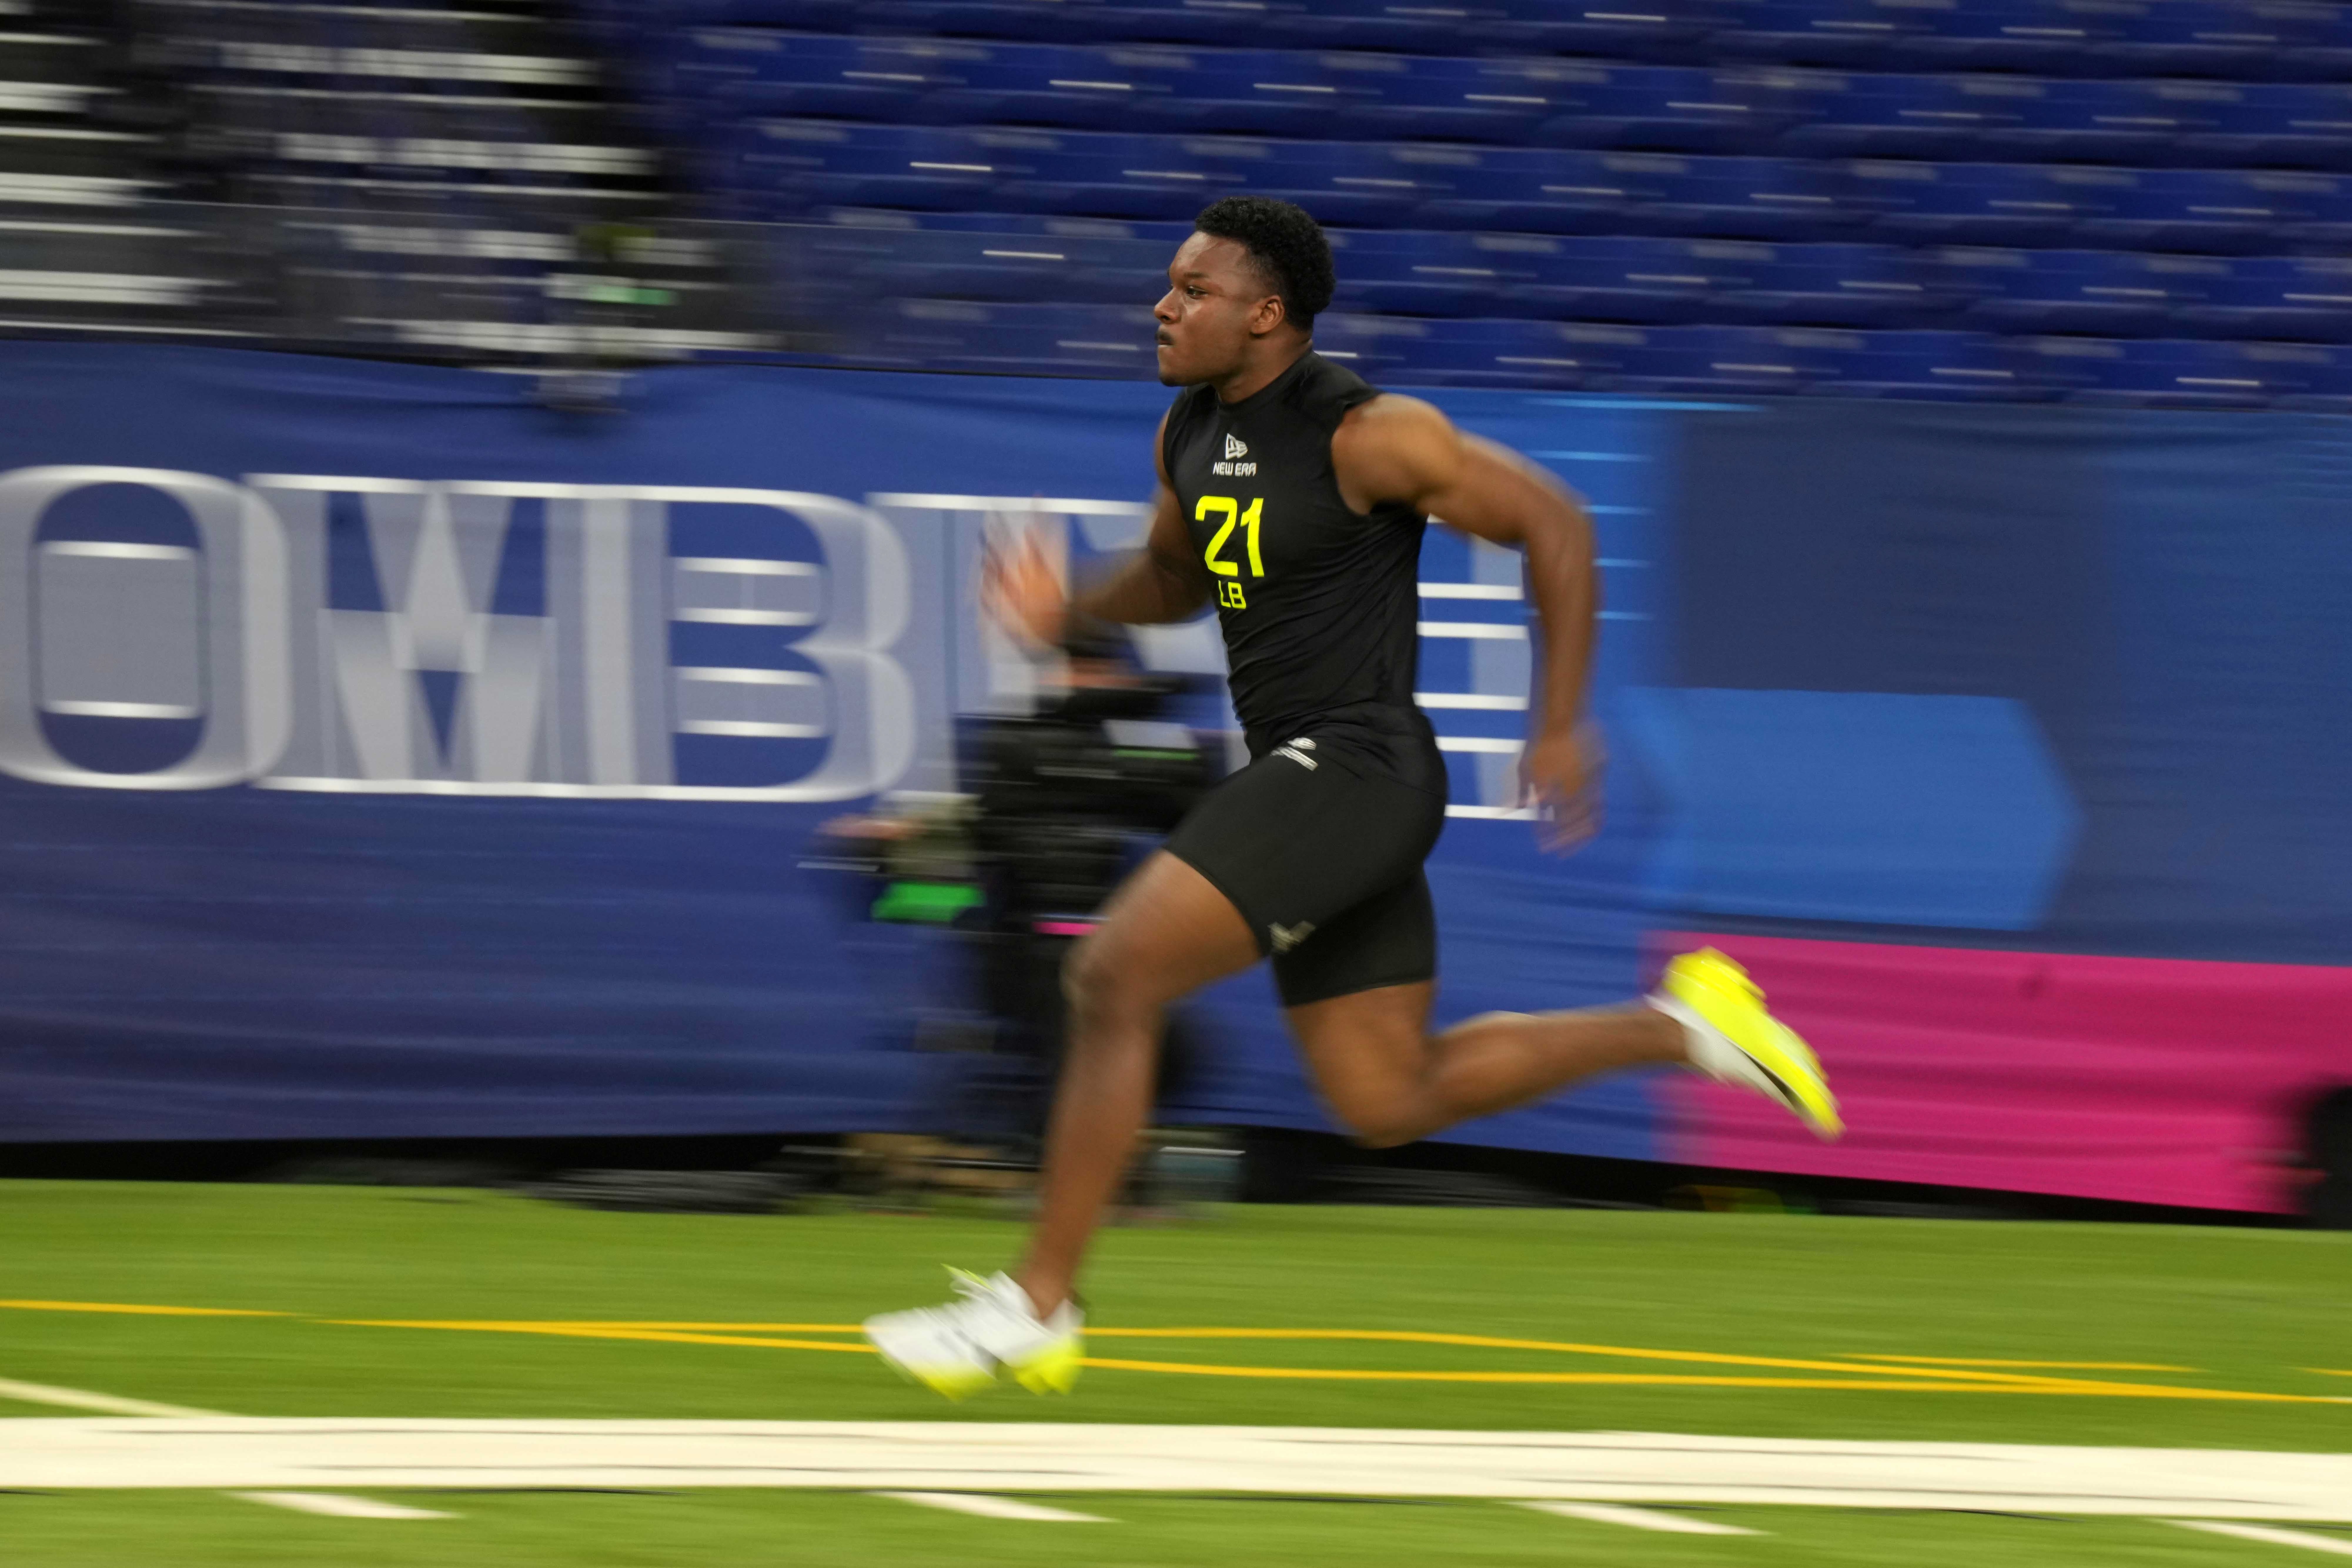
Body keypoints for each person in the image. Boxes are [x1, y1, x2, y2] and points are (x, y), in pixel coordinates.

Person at [862, 196, 1840, 1399]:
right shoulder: (1191, 429)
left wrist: (1560, 720)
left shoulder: (1369, 433)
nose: (1163, 306)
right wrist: (1067, 610)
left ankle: (1038, 1305)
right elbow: (1177, 576)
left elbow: (1556, 521)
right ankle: (1688, 1023)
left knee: (1112, 973)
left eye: (1193, 289)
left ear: (1267, 313)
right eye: (1168, 285)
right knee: (1387, 1096)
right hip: (1319, 779)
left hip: (1360, 764)